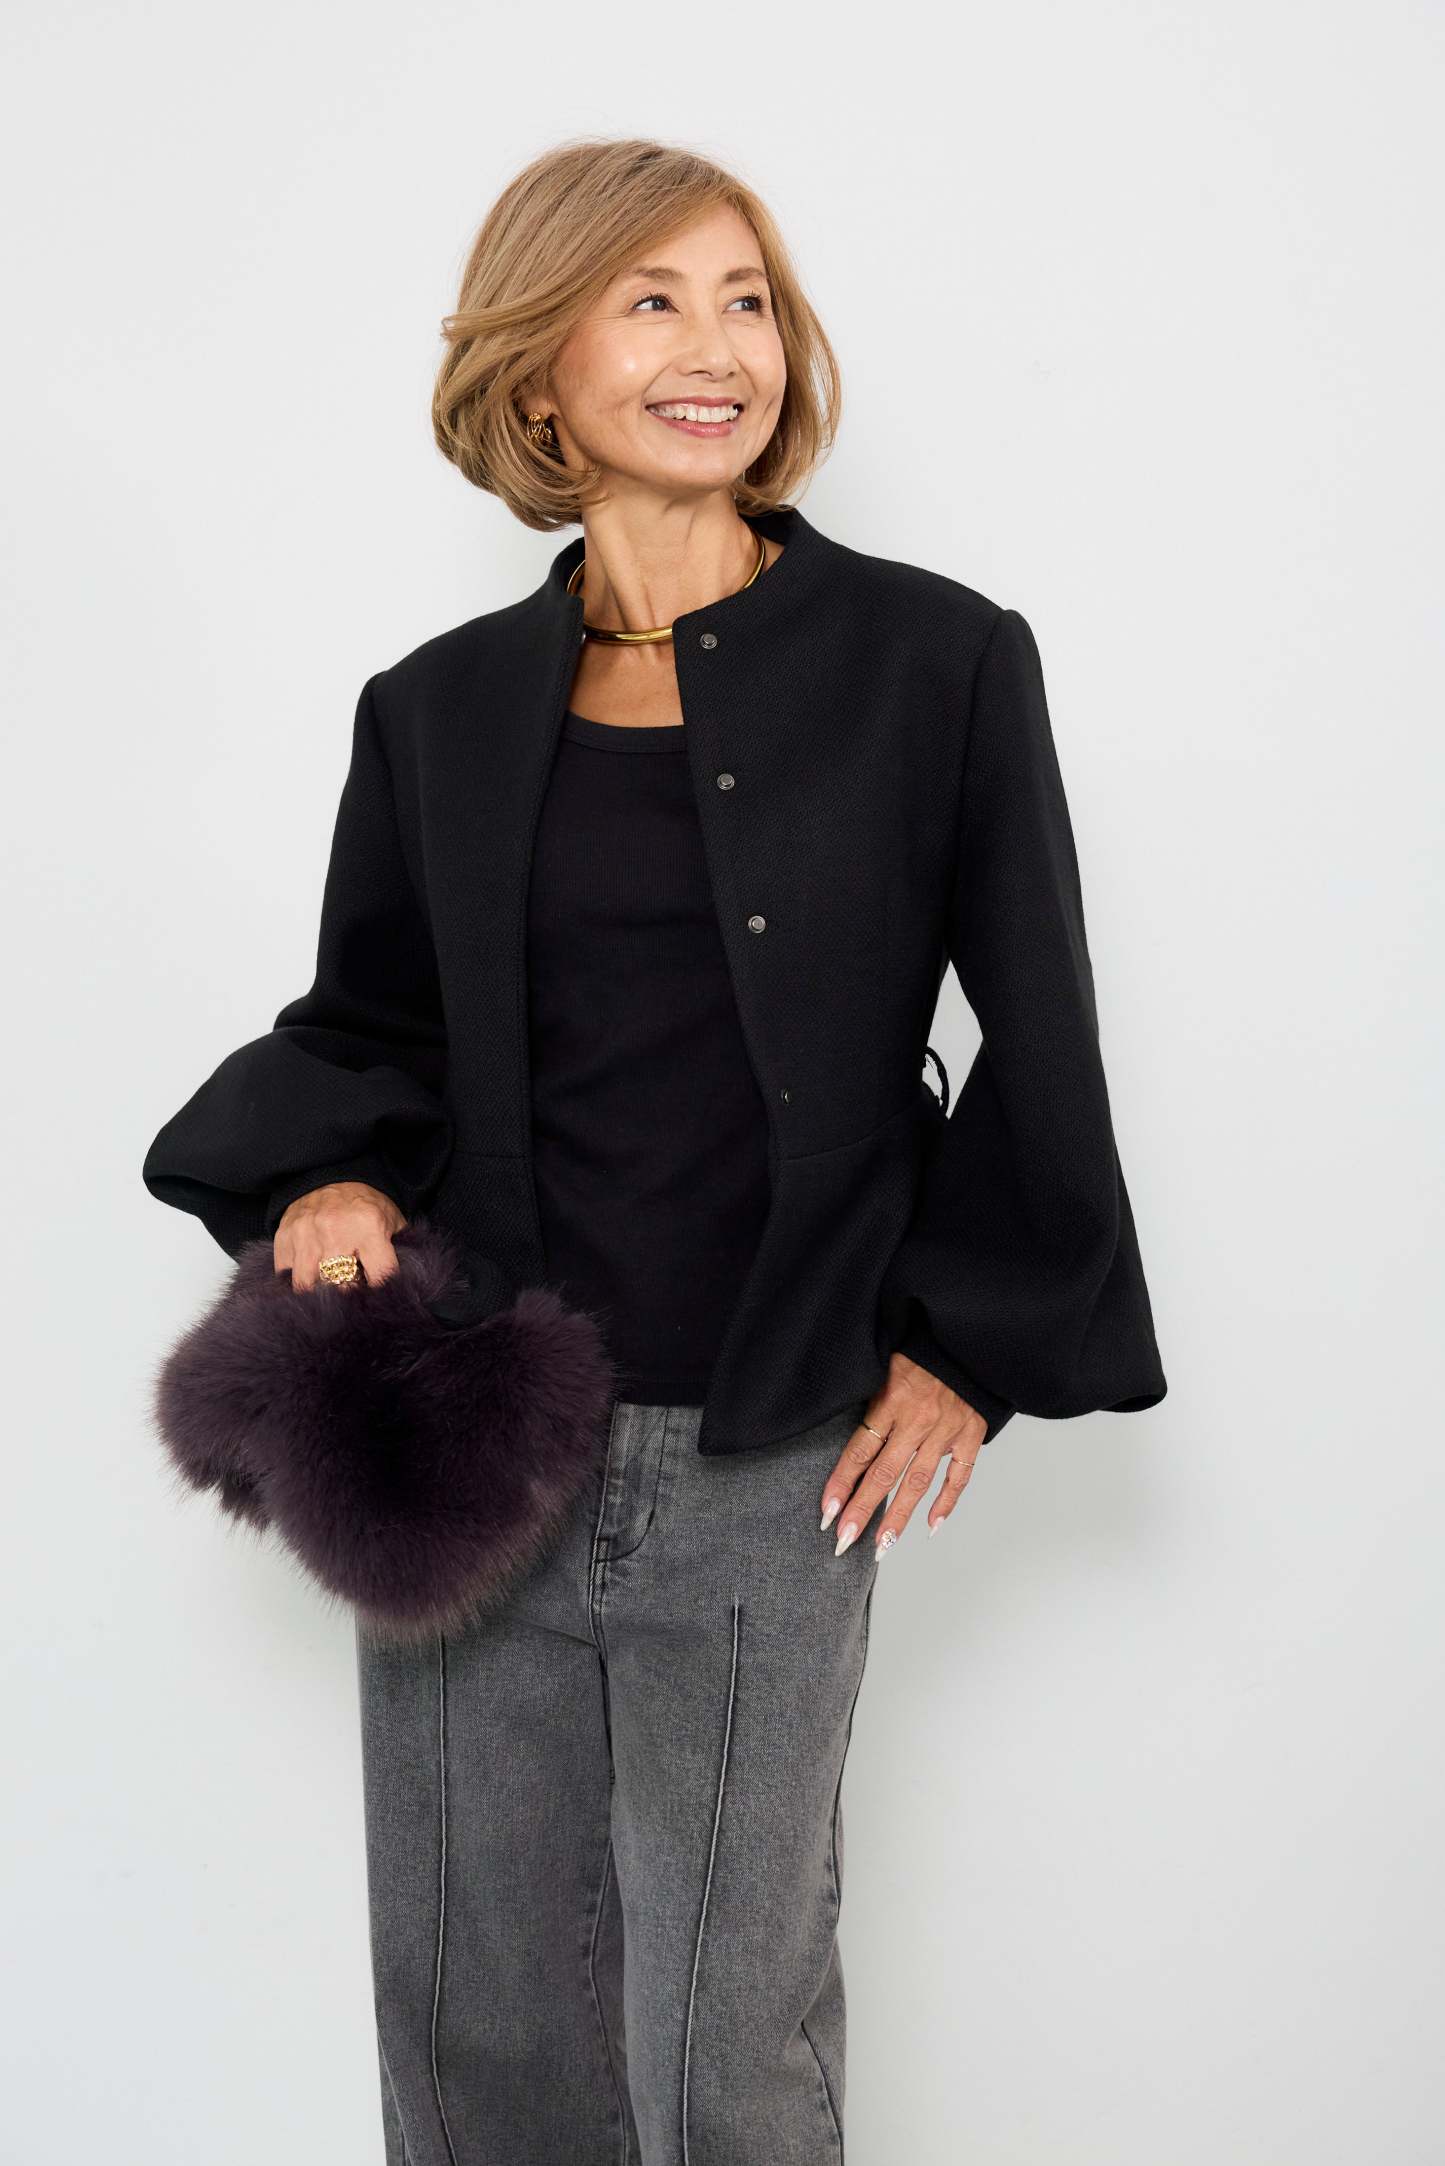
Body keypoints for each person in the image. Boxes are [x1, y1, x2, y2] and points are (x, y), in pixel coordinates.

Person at [142, 135, 1167, 2166]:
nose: (720, 349)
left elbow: (1039, 1026)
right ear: (539, 371)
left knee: (726, 2055)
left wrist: (969, 1346)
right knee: (479, 2047)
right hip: (473, 1446)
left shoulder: (940, 663)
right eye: (654, 301)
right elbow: (374, 1026)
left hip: (775, 1460)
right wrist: (321, 1179)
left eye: (748, 301)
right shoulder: (433, 710)